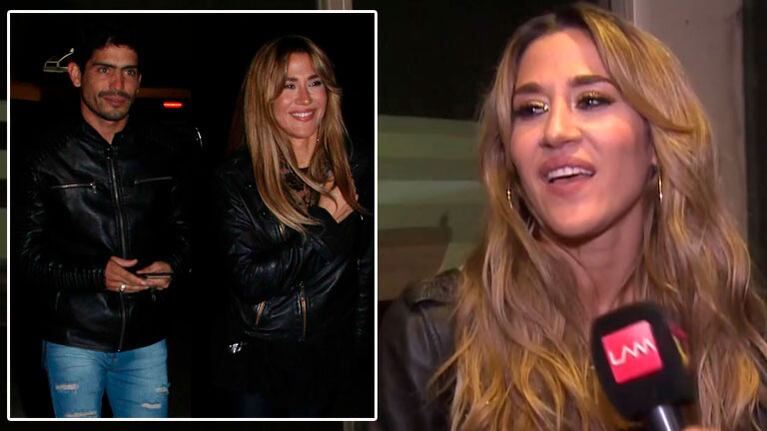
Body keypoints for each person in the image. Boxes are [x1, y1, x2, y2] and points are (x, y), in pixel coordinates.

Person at [378, 3, 767, 430]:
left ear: (656, 143)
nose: (556, 131)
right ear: (510, 160)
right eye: (531, 109)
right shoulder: (433, 337)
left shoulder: (739, 328)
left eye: (591, 100)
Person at [17, 25, 192, 418]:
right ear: (76, 74)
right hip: (74, 339)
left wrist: (173, 266)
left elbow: (187, 235)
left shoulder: (163, 152)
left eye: (129, 72)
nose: (118, 84)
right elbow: (26, 258)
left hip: (147, 338)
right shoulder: (45, 156)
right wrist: (97, 275)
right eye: (104, 70)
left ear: (139, 80)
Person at [212, 35, 373, 418]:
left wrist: (359, 353)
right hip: (257, 363)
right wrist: (324, 223)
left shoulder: (356, 165)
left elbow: (364, 269)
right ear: (264, 98)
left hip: (326, 362)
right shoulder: (237, 178)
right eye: (288, 85)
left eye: (314, 82)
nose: (305, 98)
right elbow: (249, 279)